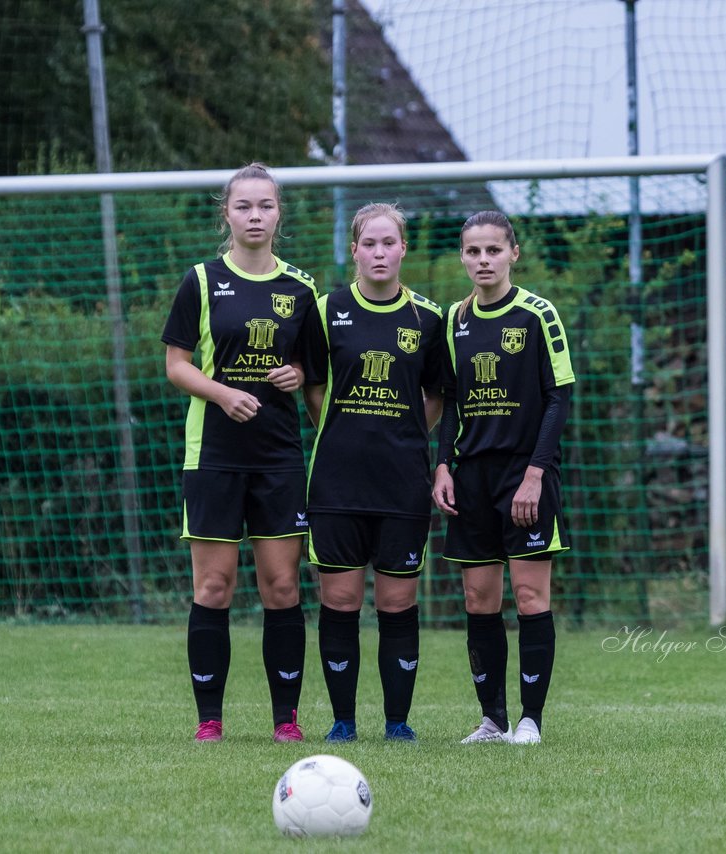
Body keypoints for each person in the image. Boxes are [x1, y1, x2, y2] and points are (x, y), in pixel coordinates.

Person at [161, 162, 318, 743]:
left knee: (282, 587)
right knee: (214, 587)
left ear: (280, 213)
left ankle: (287, 722)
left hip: (278, 456)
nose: (256, 216)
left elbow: (313, 372)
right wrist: (224, 393)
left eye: (266, 206)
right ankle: (210, 720)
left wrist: (295, 373)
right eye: (244, 206)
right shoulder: (201, 280)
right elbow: (177, 366)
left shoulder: (301, 289)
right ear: (225, 213)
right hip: (214, 456)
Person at [302, 203, 444, 743]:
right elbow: (314, 387)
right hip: (337, 482)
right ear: (355, 249)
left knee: (396, 603)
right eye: (370, 243)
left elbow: (435, 396)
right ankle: (342, 722)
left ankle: (397, 723)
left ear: (403, 248)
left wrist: (407, 434)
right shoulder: (327, 309)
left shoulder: (428, 319)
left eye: (390, 243)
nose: (379, 253)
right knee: (339, 602)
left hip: (402, 484)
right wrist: (338, 431)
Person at [432, 211, 574, 746]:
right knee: (478, 598)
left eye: (493, 250)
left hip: (525, 471)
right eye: (473, 252)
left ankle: (530, 721)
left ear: (514, 252)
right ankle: (493, 720)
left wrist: (535, 474)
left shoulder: (538, 314)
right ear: (463, 257)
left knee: (530, 596)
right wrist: (443, 464)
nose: (483, 260)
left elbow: (559, 398)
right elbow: (450, 402)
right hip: (472, 475)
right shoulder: (455, 319)